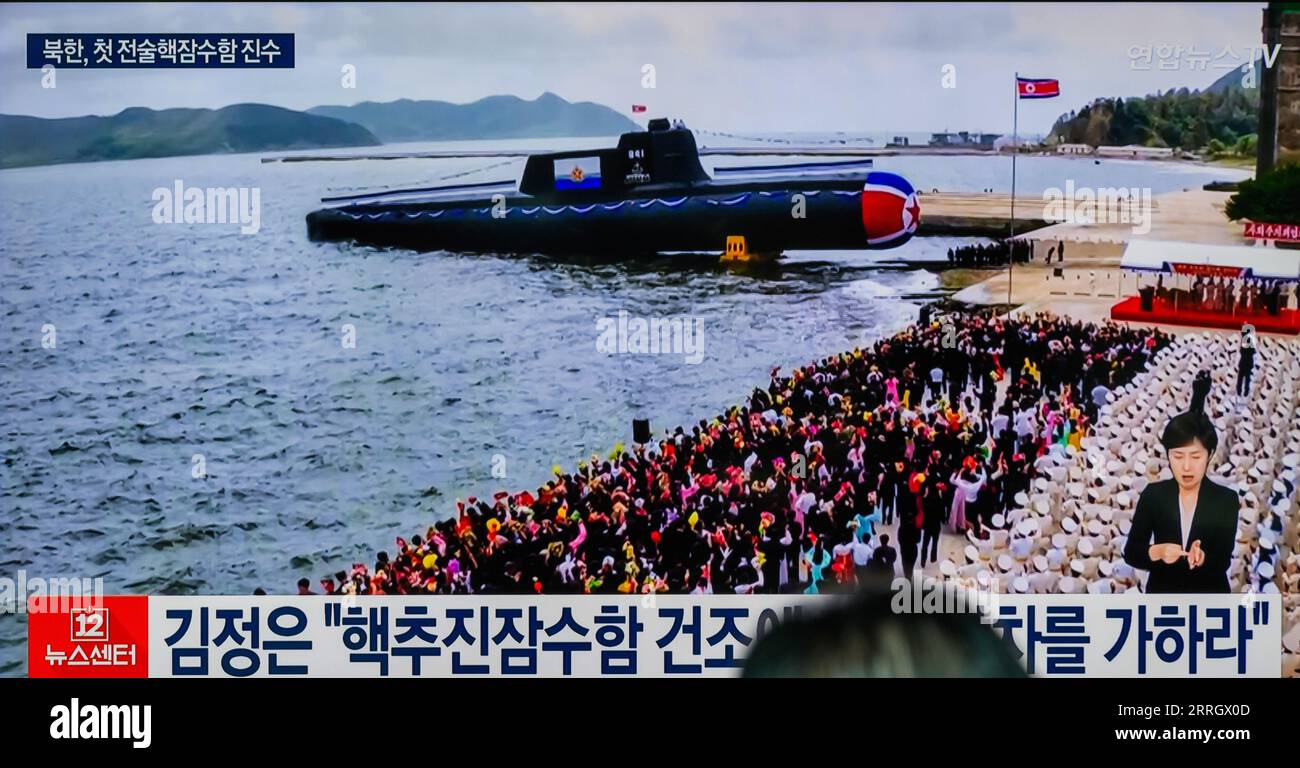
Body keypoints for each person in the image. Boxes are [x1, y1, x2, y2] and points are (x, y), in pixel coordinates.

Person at [1122, 411, 1238, 593]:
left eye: (1195, 457)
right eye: (1178, 456)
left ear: (1210, 454)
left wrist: (1202, 558)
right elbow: (1132, 552)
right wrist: (1158, 552)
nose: (1186, 466)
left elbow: (1223, 559)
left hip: (1208, 598)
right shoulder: (1154, 495)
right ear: (1167, 455)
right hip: (1163, 598)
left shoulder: (1225, 499)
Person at [1236, 325, 1257, 397]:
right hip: (1248, 363)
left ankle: (1239, 390)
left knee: (1240, 378)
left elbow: (1241, 350)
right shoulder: (1251, 340)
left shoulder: (1243, 339)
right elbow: (1253, 351)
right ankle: (1246, 391)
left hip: (1243, 362)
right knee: (1247, 379)